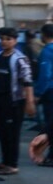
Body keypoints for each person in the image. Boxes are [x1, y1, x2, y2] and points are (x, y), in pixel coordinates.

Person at [0, 27, 36, 175]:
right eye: (2, 39)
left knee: (12, 134)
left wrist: (30, 102)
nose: (4, 42)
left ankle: (13, 165)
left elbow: (28, 81)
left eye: (8, 39)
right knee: (2, 132)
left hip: (15, 102)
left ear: (15, 41)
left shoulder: (20, 59)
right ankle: (5, 161)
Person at [32, 23, 53, 166]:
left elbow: (45, 75)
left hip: (50, 92)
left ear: (43, 35)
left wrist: (38, 93)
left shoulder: (47, 51)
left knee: (50, 125)